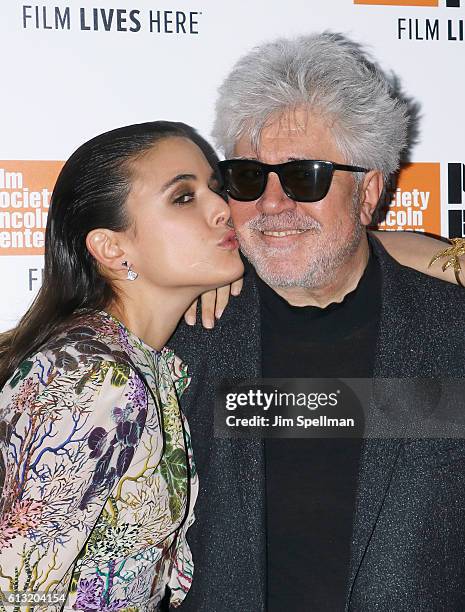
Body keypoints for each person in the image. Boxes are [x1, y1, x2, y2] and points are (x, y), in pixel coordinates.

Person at [170, 33, 465, 611]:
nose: (273, 205)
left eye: (305, 177)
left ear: (369, 191)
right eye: (250, 178)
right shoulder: (188, 334)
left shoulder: (453, 334)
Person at [0, 121, 243, 611]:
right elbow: (18, 592)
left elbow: (333, 255)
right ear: (113, 249)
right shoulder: (92, 377)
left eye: (216, 190)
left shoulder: (142, 363)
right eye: (183, 198)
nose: (222, 209)